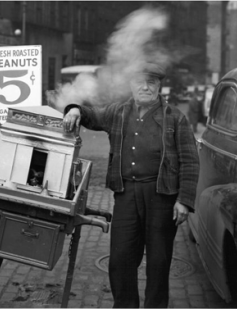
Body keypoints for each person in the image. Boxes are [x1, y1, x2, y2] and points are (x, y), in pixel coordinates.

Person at [62, 62, 199, 308]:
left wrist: (184, 201)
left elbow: (190, 161)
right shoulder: (119, 112)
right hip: (126, 195)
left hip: (162, 198)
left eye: (151, 83)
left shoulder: (175, 118)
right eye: (139, 82)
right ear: (131, 85)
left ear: (159, 87)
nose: (144, 87)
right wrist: (74, 110)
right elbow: (92, 115)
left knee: (159, 261)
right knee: (121, 259)